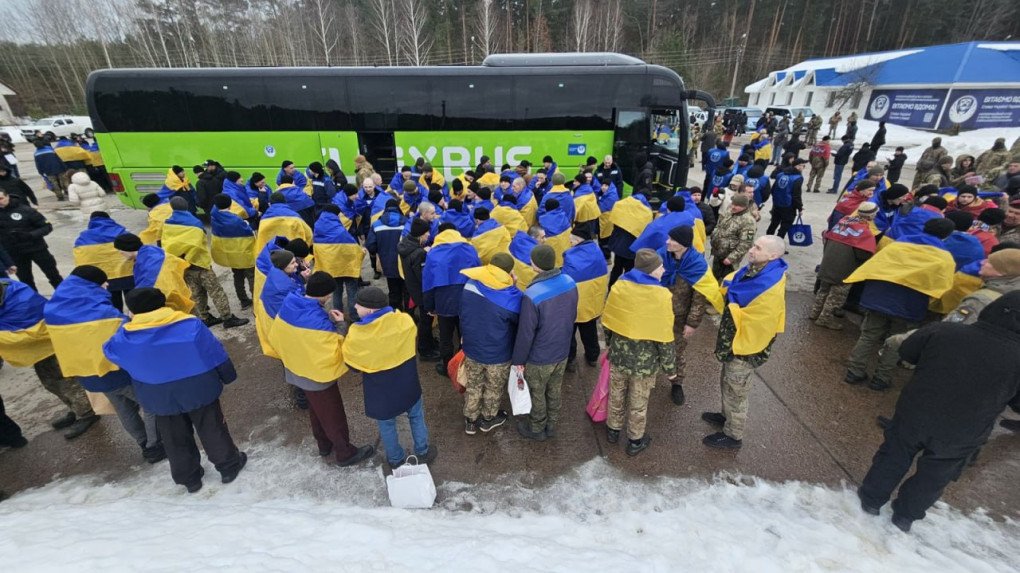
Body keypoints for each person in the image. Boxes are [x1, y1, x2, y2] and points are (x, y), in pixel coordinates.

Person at [857, 292, 1020, 533]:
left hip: (918, 410)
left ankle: (871, 499)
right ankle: (906, 515)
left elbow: (907, 352)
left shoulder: (945, 331)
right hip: (966, 428)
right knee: (936, 474)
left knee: (894, 454)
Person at [103, 288, 246, 493]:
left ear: (133, 311)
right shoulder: (190, 324)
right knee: (212, 427)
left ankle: (189, 478)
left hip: (158, 394)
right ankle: (228, 467)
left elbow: (110, 352)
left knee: (173, 436)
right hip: (199, 388)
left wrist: (127, 325)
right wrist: (227, 375)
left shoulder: (126, 336)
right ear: (164, 303)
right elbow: (214, 352)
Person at [44, 265, 165, 462]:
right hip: (118, 373)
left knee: (124, 410)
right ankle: (155, 446)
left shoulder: (53, 310)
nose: (107, 285)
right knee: (153, 404)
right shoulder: (104, 314)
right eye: (103, 282)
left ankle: (143, 443)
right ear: (91, 285)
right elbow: (128, 336)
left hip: (90, 376)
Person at [269, 272, 375, 466]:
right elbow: (334, 349)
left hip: (296, 368)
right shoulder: (318, 323)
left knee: (316, 410)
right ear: (325, 295)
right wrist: (341, 325)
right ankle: (345, 453)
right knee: (333, 413)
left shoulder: (290, 303)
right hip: (316, 375)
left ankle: (324, 445)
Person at [843, 219, 957, 391]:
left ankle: (854, 371)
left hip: (879, 298)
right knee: (896, 341)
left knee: (868, 335)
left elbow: (875, 265)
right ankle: (881, 378)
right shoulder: (944, 258)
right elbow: (943, 285)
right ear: (947, 235)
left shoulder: (898, 245)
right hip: (909, 305)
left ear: (924, 227)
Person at [702, 236, 788, 449]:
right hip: (734, 342)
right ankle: (725, 415)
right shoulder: (757, 270)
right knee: (727, 382)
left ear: (773, 255)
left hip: (745, 348)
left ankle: (733, 435)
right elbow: (736, 283)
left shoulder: (769, 282)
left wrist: (731, 302)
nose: (751, 250)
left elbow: (761, 318)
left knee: (737, 391)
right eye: (753, 246)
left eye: (758, 248)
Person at [342, 287, 436, 470]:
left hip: (381, 391)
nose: (354, 306)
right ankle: (423, 451)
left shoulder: (357, 333)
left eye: (358, 304)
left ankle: (395, 459)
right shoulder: (404, 320)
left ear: (370, 310)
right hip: (408, 384)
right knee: (416, 416)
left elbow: (352, 366)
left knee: (387, 425)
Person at [0, 277, 99, 439]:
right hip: (39, 351)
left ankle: (88, 413)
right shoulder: (6, 288)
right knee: (50, 383)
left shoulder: (20, 299)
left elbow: (28, 335)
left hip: (50, 345)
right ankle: (75, 409)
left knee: (67, 381)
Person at [599, 249, 675, 455]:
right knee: (638, 402)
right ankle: (635, 440)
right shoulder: (661, 295)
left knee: (616, 394)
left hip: (619, 357)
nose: (664, 270)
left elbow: (608, 321)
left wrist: (609, 346)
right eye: (660, 267)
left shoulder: (620, 286)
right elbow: (664, 336)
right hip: (645, 364)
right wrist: (670, 368)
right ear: (651, 270)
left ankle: (613, 430)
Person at [511, 244, 578, 441]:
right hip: (562, 350)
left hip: (540, 356)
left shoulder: (532, 294)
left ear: (535, 265)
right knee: (554, 389)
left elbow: (526, 333)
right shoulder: (569, 281)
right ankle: (551, 424)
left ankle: (537, 427)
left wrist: (518, 360)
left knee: (537, 392)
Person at [657, 225, 723, 406]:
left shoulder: (697, 265)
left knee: (676, 350)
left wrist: (692, 323)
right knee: (651, 347)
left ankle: (676, 383)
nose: (667, 242)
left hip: (679, 317)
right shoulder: (660, 256)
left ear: (684, 244)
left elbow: (699, 299)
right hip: (657, 314)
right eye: (668, 238)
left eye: (672, 240)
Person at [161, 198, 248, 328]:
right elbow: (197, 244)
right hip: (200, 264)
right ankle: (227, 318)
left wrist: (183, 260)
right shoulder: (194, 223)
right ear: (186, 206)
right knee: (216, 291)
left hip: (183, 265)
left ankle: (204, 317)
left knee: (196, 293)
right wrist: (190, 257)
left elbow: (166, 244)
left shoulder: (168, 223)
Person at [459, 253, 521, 435]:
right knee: (493, 387)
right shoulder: (512, 297)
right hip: (498, 353)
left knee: (474, 384)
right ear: (509, 273)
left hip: (472, 347)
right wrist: (514, 286)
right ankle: (488, 419)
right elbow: (518, 320)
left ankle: (470, 419)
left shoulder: (470, 285)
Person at [423, 224, 482, 375]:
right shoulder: (470, 248)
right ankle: (464, 367)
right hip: (467, 298)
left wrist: (429, 306)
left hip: (444, 301)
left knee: (446, 336)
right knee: (465, 334)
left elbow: (428, 282)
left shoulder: (433, 253)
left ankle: (447, 367)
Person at [811, 203, 879, 330]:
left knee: (823, 290)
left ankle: (814, 313)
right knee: (836, 296)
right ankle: (825, 320)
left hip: (828, 263)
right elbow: (863, 254)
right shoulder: (864, 232)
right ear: (871, 216)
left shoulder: (843, 222)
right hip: (844, 268)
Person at [562, 229, 608, 372]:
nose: (570, 242)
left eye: (572, 239)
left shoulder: (571, 256)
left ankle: (570, 359)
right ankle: (593, 357)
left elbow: (565, 277)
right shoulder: (597, 251)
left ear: (579, 240)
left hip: (574, 304)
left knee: (569, 333)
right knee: (590, 330)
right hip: (591, 303)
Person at [113, 233, 194, 314]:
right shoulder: (151, 251)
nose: (120, 253)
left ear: (127, 248)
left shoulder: (147, 265)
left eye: (120, 250)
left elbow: (146, 291)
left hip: (166, 301)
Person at [0, 188, 62, 291]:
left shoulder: (25, 210)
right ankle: (33, 303)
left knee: (53, 275)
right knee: (26, 281)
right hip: (15, 253)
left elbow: (46, 227)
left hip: (36, 248)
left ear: (7, 196)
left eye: (1, 198)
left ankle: (64, 298)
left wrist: (30, 235)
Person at [72, 212, 134, 312]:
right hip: (129, 274)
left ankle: (118, 322)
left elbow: (81, 258)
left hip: (105, 278)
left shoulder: (83, 238)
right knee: (134, 303)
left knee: (114, 304)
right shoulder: (124, 232)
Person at [313, 204, 364, 319]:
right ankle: (354, 316)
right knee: (352, 291)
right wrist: (361, 251)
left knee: (336, 292)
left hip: (331, 267)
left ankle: (337, 315)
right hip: (347, 266)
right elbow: (352, 248)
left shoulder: (317, 227)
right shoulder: (339, 230)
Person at [209, 194, 256, 310]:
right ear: (230, 205)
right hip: (244, 253)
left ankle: (243, 300)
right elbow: (249, 233)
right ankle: (256, 299)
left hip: (231, 254)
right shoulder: (235, 220)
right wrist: (247, 224)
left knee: (238, 276)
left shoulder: (214, 216)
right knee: (251, 276)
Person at [367, 199, 407, 310]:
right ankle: (409, 315)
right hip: (404, 262)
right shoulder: (407, 222)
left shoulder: (376, 224)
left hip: (387, 262)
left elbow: (371, 246)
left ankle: (395, 312)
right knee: (406, 290)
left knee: (393, 291)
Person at [710, 194, 756, 281]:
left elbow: (746, 243)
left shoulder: (749, 222)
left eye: (737, 205)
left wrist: (731, 258)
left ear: (745, 207)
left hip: (729, 258)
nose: (733, 207)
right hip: (718, 252)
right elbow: (719, 225)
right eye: (733, 204)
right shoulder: (729, 212)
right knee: (713, 277)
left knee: (725, 281)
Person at [765, 158, 806, 239]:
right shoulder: (797, 178)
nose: (803, 168)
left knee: (774, 223)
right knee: (785, 226)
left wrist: (776, 199)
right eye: (802, 166)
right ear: (797, 166)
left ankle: (767, 240)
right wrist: (800, 208)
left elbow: (773, 189)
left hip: (777, 204)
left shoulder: (781, 174)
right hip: (788, 206)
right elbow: (796, 195)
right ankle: (778, 243)